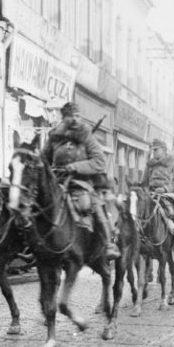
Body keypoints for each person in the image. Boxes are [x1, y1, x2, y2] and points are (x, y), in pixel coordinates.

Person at [42, 102, 120, 260]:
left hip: (82, 183)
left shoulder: (87, 136)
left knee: (92, 205)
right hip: (57, 182)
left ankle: (108, 245)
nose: (75, 119)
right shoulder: (54, 138)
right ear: (63, 119)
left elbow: (99, 162)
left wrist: (75, 167)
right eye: (71, 116)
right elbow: (44, 160)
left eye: (77, 116)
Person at [140, 139, 174, 255]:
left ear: (164, 150)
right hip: (151, 193)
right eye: (153, 150)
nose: (154, 152)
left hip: (168, 193)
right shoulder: (150, 165)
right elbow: (143, 182)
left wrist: (165, 189)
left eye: (156, 150)